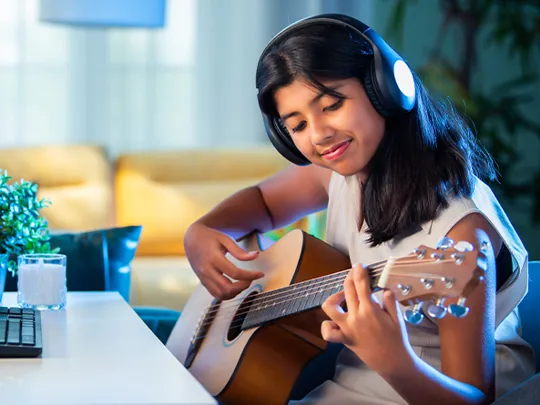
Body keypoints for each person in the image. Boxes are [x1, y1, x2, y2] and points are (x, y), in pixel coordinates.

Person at [181, 13, 535, 405]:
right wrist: (201, 231)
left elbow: (475, 399)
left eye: (331, 104)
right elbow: (263, 203)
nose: (318, 135)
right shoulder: (338, 174)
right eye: (297, 126)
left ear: (385, 88)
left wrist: (395, 360)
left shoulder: (461, 236)